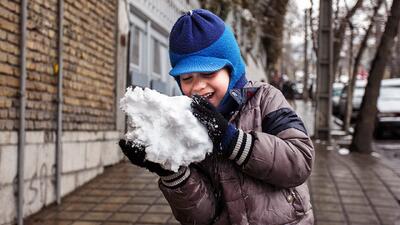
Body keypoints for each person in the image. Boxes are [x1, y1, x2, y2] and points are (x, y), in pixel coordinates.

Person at [119, 9, 314, 225]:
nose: (198, 86)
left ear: (232, 69)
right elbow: (201, 216)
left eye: (209, 73)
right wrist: (170, 170)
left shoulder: (265, 99)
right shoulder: (187, 126)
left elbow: (300, 162)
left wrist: (232, 140)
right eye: (187, 77)